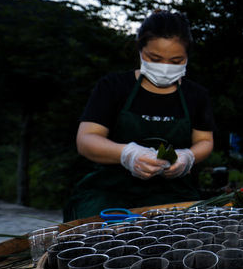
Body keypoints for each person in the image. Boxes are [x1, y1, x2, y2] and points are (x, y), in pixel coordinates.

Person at [64, 11, 216, 221]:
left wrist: (187, 157)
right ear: (140, 49)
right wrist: (127, 153)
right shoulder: (113, 87)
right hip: (109, 192)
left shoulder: (196, 95)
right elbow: (86, 139)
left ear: (187, 56)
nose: (165, 68)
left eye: (176, 60)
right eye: (155, 58)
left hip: (173, 194)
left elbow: (204, 141)